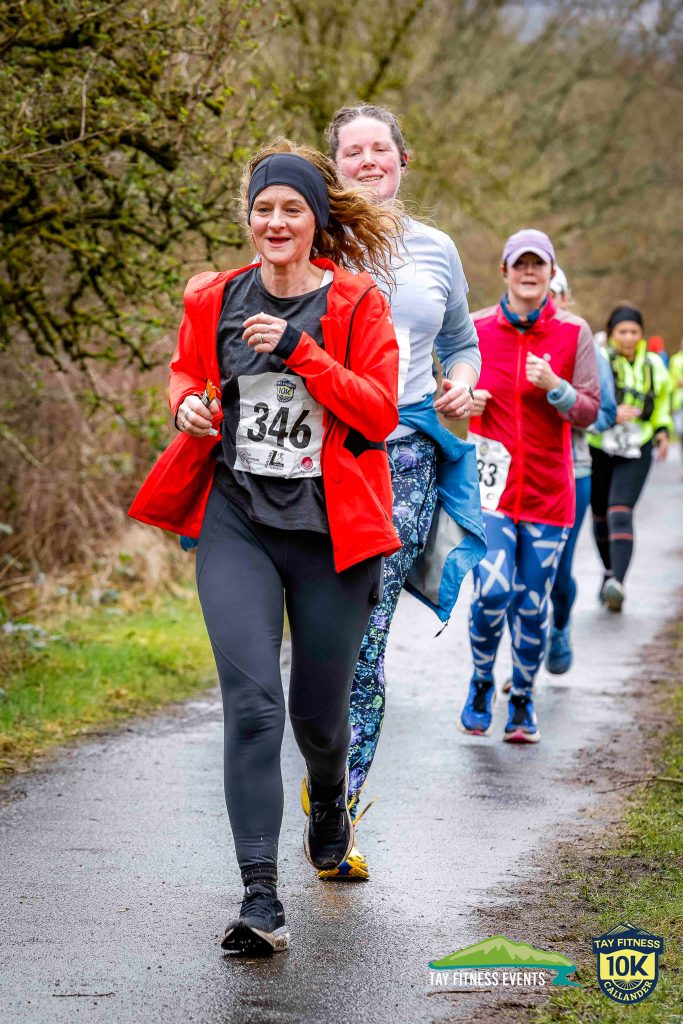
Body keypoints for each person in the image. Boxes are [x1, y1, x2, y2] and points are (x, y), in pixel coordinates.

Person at [129, 141, 403, 954]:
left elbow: (379, 412)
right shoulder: (213, 297)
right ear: (247, 218)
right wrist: (187, 406)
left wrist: (299, 353)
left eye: (291, 209)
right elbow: (186, 374)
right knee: (252, 707)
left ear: (315, 221)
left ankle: (329, 798)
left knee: (318, 719)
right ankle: (259, 900)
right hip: (238, 520)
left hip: (331, 534)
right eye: (262, 209)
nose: (275, 222)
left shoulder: (355, 304)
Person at [310, 104, 485, 879]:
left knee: (365, 636)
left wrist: (463, 385)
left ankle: (337, 814)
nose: (367, 161)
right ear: (333, 165)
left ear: (401, 159)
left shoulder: (436, 249)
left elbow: (461, 342)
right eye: (352, 151)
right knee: (314, 642)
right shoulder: (309, 237)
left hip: (402, 457)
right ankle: (319, 777)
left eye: (379, 148)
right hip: (313, 457)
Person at [459, 229, 600, 743]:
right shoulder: (474, 328)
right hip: (490, 493)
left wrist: (556, 388)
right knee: (492, 592)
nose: (528, 272)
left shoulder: (573, 333)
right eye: (519, 264)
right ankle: (481, 680)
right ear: (504, 271)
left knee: (531, 602)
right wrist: (464, 399)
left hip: (547, 493)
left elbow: (591, 409)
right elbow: (444, 392)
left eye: (537, 264)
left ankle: (521, 697)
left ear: (550, 273)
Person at [544, 268, 617, 673]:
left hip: (573, 471)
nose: (549, 301)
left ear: (566, 298)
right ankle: (524, 658)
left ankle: (559, 626)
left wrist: (562, 396)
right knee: (517, 573)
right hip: (520, 471)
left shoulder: (585, 344)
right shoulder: (514, 342)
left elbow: (604, 414)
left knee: (557, 571)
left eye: (556, 293)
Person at [588, 304, 672, 611]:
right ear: (611, 333)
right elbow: (586, 399)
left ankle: (618, 583)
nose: (628, 337)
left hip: (637, 448)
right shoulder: (598, 361)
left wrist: (662, 429)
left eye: (634, 332)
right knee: (599, 516)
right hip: (600, 447)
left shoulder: (654, 364)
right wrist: (611, 414)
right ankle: (609, 572)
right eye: (622, 331)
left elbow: (662, 401)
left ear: (642, 334)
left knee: (620, 511)